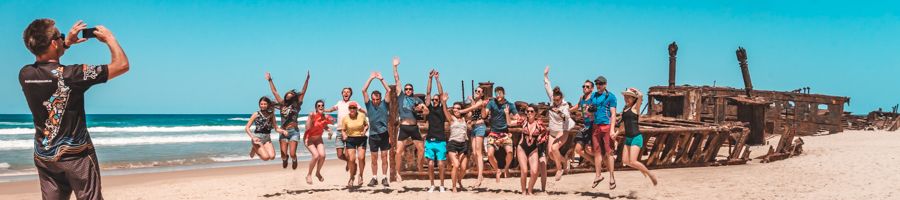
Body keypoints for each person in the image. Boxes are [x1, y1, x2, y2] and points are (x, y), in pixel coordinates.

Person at [19, 19, 128, 200]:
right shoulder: (73, 75)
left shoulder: (25, 74)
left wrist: (66, 43)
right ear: (53, 43)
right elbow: (122, 65)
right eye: (59, 37)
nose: (62, 38)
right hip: (76, 155)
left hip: (44, 155)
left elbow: (48, 65)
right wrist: (110, 38)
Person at [265, 71, 310, 169]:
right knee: (283, 155)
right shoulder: (282, 104)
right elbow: (275, 92)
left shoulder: (297, 105)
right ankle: (285, 159)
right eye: (287, 95)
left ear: (293, 97)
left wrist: (307, 80)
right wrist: (270, 80)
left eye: (291, 95)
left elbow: (303, 91)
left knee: (293, 153)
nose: (288, 96)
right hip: (283, 132)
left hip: (294, 132)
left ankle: (294, 159)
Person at [392, 56, 427, 182]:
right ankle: (397, 172)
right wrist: (395, 67)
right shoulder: (401, 96)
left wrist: (422, 109)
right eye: (406, 89)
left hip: (414, 127)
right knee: (399, 152)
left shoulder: (416, 100)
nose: (407, 90)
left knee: (421, 149)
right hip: (403, 127)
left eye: (409, 89)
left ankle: (419, 165)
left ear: (413, 90)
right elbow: (397, 80)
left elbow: (426, 111)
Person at [618, 88, 658, 186]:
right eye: (625, 96)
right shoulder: (625, 109)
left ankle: (650, 174)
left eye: (629, 97)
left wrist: (634, 90)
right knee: (625, 161)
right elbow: (623, 124)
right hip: (628, 138)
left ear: (633, 98)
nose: (626, 98)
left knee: (633, 161)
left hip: (636, 137)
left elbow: (640, 96)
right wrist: (616, 133)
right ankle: (641, 168)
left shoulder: (635, 108)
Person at [543, 66, 575, 181]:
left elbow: (566, 117)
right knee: (551, 154)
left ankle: (559, 169)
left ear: (562, 98)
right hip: (552, 131)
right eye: (555, 100)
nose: (556, 102)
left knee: (555, 148)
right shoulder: (552, 99)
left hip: (563, 130)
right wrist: (545, 75)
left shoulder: (565, 105)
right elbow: (547, 86)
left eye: (558, 100)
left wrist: (560, 112)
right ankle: (565, 161)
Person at [587, 76, 618, 190]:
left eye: (600, 84)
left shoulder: (611, 96)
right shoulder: (594, 96)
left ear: (605, 84)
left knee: (609, 152)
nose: (598, 86)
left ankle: (611, 177)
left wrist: (612, 129)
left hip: (606, 126)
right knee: (597, 152)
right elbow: (588, 112)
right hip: (595, 126)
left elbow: (613, 114)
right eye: (597, 84)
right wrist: (589, 110)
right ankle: (598, 175)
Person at [362, 71, 392, 187]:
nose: (375, 101)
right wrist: (370, 78)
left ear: (380, 99)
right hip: (373, 135)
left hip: (384, 134)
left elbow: (389, 90)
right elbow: (363, 90)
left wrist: (381, 79)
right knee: (374, 158)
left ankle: (384, 177)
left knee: (384, 157)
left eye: (377, 99)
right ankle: (374, 178)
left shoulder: (385, 104)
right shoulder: (368, 105)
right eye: (373, 99)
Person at [483, 86, 518, 182]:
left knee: (510, 152)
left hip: (504, 134)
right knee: (489, 154)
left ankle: (506, 168)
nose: (498, 95)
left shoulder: (509, 105)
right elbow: (484, 115)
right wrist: (483, 106)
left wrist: (508, 115)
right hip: (493, 133)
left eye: (500, 93)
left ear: (504, 93)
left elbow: (517, 117)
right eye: (496, 93)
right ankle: (497, 170)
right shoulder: (491, 103)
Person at [324, 87, 363, 171]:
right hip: (339, 131)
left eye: (348, 92)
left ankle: (351, 162)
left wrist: (369, 114)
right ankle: (350, 162)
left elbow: (361, 110)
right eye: (344, 92)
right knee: (339, 155)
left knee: (348, 153)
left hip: (349, 131)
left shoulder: (353, 103)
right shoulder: (339, 103)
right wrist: (322, 110)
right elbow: (331, 109)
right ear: (342, 94)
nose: (346, 93)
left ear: (350, 94)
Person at [457, 86, 488, 187]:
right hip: (474, 127)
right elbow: (471, 114)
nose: (477, 92)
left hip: (480, 126)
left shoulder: (481, 102)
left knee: (478, 152)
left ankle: (479, 177)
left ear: (482, 94)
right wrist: (469, 119)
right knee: (474, 152)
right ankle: (480, 173)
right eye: (476, 90)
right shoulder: (474, 102)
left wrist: (462, 111)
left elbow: (473, 109)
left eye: (479, 91)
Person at [423, 70, 448, 192]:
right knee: (431, 164)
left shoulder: (442, 109)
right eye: (433, 100)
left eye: (436, 100)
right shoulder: (430, 108)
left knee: (442, 164)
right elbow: (428, 93)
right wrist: (430, 78)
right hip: (430, 140)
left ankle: (442, 185)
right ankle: (432, 185)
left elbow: (441, 93)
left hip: (441, 140)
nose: (434, 101)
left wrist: (438, 79)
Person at [517, 106, 549, 195]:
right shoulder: (523, 121)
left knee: (535, 172)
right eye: (528, 111)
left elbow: (546, 132)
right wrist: (507, 113)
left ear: (535, 113)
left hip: (533, 149)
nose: (529, 113)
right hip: (522, 148)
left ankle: (530, 190)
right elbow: (510, 122)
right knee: (524, 170)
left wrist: (540, 137)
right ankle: (523, 191)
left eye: (531, 111)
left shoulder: (539, 124)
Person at [304, 100, 334, 184]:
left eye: (322, 105)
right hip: (309, 139)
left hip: (318, 139)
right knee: (316, 155)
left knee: (323, 155)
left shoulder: (325, 117)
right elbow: (307, 128)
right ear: (316, 108)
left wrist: (330, 131)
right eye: (319, 106)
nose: (321, 107)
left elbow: (325, 125)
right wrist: (310, 118)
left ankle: (317, 172)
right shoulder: (313, 116)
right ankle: (309, 175)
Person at [340, 101, 369, 187]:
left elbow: (366, 125)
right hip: (351, 139)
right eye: (351, 108)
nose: (352, 109)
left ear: (356, 109)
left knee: (361, 158)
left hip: (361, 138)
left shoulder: (362, 116)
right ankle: (351, 177)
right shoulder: (345, 118)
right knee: (351, 159)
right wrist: (344, 135)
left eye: (354, 108)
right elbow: (343, 129)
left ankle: (361, 176)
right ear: (349, 109)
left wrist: (364, 130)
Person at [245, 97, 281, 161]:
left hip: (267, 138)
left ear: (268, 105)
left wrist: (284, 131)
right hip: (257, 138)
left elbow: (276, 128)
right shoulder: (256, 114)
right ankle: (255, 148)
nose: (263, 106)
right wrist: (253, 137)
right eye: (261, 104)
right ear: (259, 104)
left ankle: (255, 148)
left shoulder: (271, 114)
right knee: (266, 158)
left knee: (272, 157)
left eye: (265, 104)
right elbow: (247, 128)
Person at [571, 80, 596, 169]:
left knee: (589, 149)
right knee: (578, 149)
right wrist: (568, 110)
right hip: (586, 126)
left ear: (592, 88)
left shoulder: (594, 97)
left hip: (593, 126)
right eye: (584, 86)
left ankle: (603, 158)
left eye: (587, 87)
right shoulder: (582, 98)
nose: (585, 88)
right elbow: (578, 105)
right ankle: (596, 163)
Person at [446, 101, 470, 192]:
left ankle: (459, 181)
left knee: (463, 168)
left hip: (463, 144)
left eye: (458, 108)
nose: (456, 110)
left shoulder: (465, 119)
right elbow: (445, 110)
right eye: (454, 108)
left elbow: (472, 110)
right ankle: (454, 186)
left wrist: (472, 102)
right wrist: (444, 102)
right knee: (456, 165)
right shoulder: (451, 118)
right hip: (453, 143)